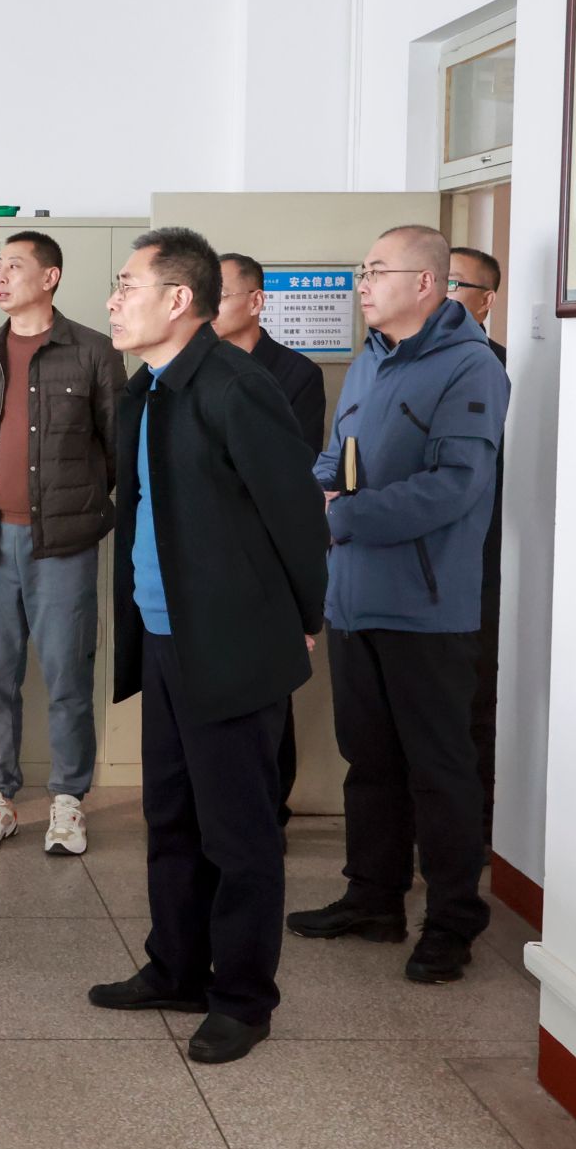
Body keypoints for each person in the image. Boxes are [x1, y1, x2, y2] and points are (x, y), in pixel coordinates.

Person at [84, 229, 328, 1065]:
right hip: (165, 636)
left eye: (127, 286)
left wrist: (303, 615)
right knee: (171, 815)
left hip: (233, 641)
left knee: (239, 831)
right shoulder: (146, 391)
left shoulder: (236, 387)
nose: (113, 301)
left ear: (179, 298)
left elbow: (296, 514)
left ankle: (244, 998)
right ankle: (177, 967)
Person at [286, 225, 508, 986]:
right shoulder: (370, 359)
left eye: (377, 270)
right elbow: (335, 457)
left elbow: (454, 485)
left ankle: (451, 921)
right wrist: (309, 494)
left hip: (427, 606)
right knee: (369, 761)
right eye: (362, 270)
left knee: (439, 769)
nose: (362, 283)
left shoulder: (471, 366)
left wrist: (341, 517)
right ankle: (373, 899)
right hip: (355, 598)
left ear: (425, 283)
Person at [0, 230, 123, 856]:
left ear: (49, 277)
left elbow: (117, 447)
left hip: (63, 546)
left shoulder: (93, 351)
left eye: (14, 266)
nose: (0, 277)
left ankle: (69, 801)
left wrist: (75, 505)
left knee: (68, 677)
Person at [215, 251, 326, 833]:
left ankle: (270, 815)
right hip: (208, 556)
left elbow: (293, 477)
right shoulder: (190, 367)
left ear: (256, 301)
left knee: (269, 693)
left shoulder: (295, 374)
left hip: (267, 558)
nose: (208, 308)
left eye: (220, 295)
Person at [449, 247, 507, 836]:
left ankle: (478, 828)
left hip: (485, 556)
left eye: (455, 284)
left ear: (486, 301)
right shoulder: (386, 361)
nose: (441, 294)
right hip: (410, 563)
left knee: (476, 696)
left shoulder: (501, 368)